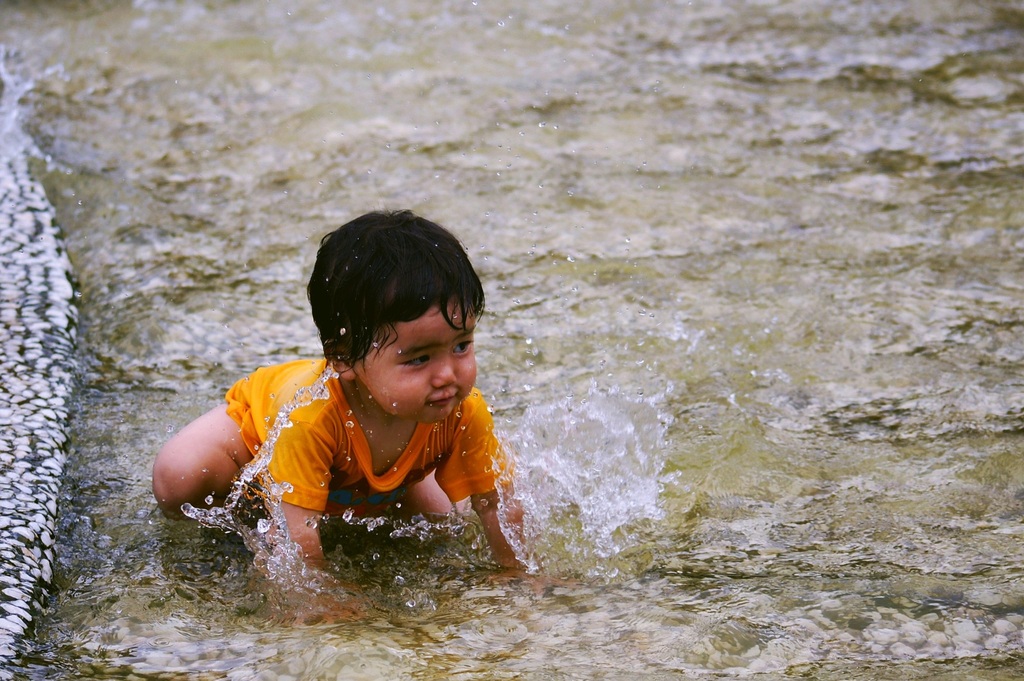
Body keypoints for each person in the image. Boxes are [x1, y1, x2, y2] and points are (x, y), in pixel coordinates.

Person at [152, 210, 522, 569]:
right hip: (254, 445)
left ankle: (377, 487)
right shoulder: (311, 419)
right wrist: (323, 603)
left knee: (448, 528)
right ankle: (266, 501)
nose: (447, 375)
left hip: (368, 476)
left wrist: (518, 574)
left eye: (461, 346)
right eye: (419, 359)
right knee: (178, 476)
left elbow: (497, 507)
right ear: (343, 358)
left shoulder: (463, 410)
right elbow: (297, 546)